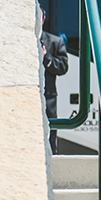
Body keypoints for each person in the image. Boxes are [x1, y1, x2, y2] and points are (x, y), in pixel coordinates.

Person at [40, 11, 69, 154]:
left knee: (50, 135)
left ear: (44, 18)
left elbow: (63, 68)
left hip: (48, 96)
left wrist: (47, 57)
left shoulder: (55, 41)